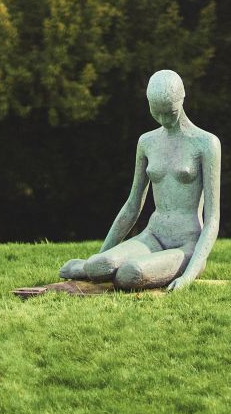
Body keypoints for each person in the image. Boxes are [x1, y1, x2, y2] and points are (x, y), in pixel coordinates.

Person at [59, 69, 220, 292]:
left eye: (170, 112)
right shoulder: (147, 142)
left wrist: (189, 275)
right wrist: (98, 260)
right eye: (157, 113)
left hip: (186, 244)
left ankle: (154, 267)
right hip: (153, 235)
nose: (164, 120)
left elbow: (212, 219)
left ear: (182, 99)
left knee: (130, 274)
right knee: (98, 266)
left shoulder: (206, 144)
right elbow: (132, 206)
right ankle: (87, 267)